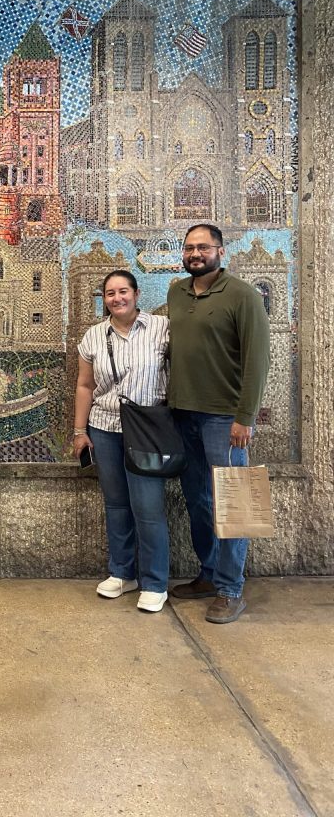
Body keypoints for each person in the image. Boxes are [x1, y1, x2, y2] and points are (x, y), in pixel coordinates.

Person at [168, 223, 270, 624]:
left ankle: (231, 589)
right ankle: (208, 575)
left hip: (224, 419)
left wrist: (245, 417)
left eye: (204, 247)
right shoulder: (177, 293)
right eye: (190, 247)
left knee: (235, 502)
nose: (196, 253)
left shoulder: (243, 296)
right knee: (197, 500)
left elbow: (258, 361)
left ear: (220, 252)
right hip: (183, 415)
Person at [72, 270, 171, 613]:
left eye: (123, 291)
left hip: (146, 430)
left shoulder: (162, 328)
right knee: (116, 504)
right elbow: (85, 386)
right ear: (104, 299)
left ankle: (155, 581)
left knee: (148, 506)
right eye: (110, 293)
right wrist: (79, 430)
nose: (117, 298)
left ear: (136, 293)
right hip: (105, 426)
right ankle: (122, 572)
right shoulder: (94, 336)